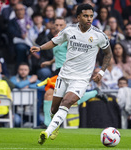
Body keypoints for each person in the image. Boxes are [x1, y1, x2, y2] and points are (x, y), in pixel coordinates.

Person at [30, 4, 112, 145]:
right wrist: (40, 48)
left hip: (81, 79)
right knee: (54, 108)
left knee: (66, 102)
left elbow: (108, 54)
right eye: (85, 16)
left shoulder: (99, 35)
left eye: (91, 16)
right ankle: (56, 126)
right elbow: (54, 42)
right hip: (64, 75)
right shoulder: (69, 30)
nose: (89, 19)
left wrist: (102, 71)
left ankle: (47, 132)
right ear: (78, 17)